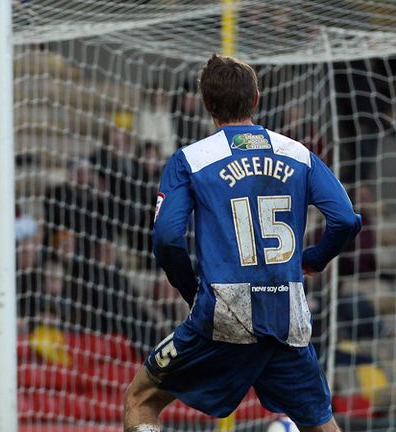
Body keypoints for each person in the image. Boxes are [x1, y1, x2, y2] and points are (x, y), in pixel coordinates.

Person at [123, 54, 361, 432]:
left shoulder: (191, 160)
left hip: (224, 315)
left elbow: (167, 238)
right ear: (256, 99)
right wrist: (313, 259)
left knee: (141, 399)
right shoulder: (298, 153)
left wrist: (192, 291)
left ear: (207, 105)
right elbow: (346, 219)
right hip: (287, 317)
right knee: (321, 425)